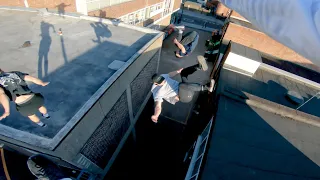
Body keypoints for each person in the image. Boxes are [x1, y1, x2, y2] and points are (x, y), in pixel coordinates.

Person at [151, 56, 214, 123]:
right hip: (184, 97)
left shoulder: (162, 76)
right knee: (182, 86)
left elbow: (169, 74)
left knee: (183, 72)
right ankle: (207, 87)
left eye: (163, 80)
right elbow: (158, 106)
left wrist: (178, 71)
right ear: (156, 84)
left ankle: (199, 67)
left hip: (184, 87)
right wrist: (156, 115)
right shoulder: (157, 92)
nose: (164, 81)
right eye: (161, 82)